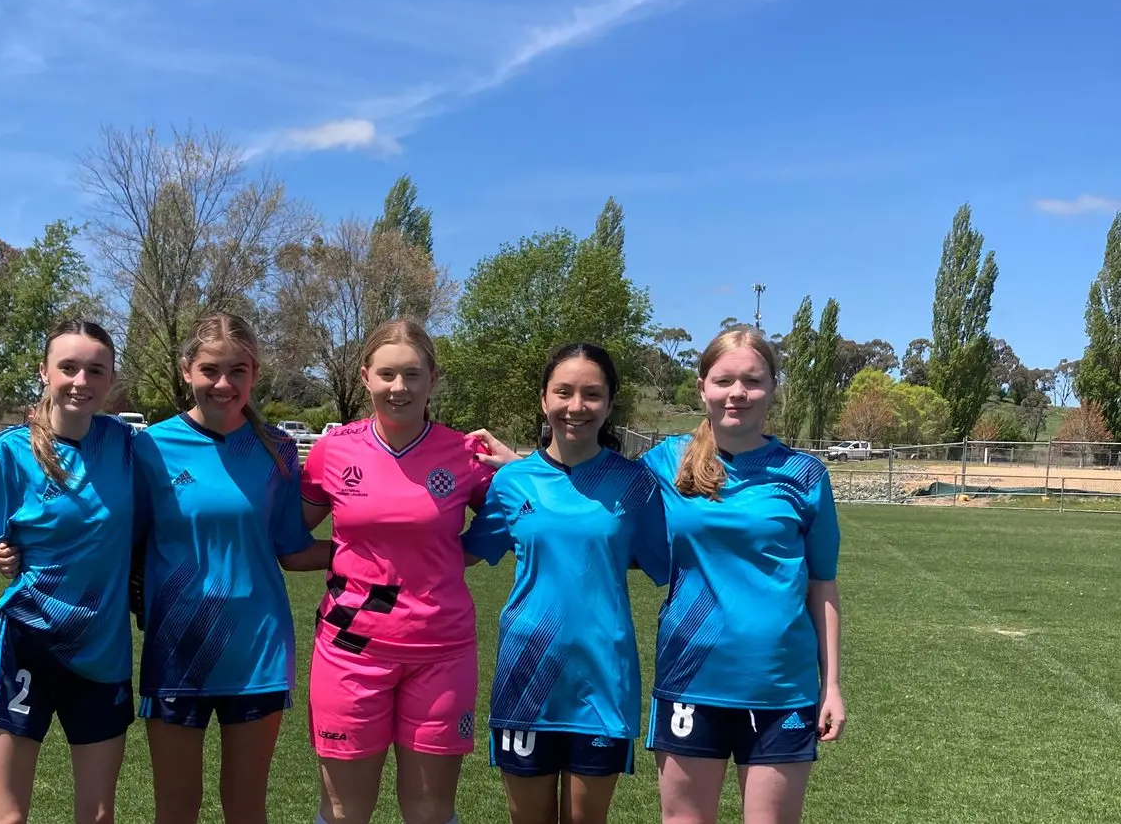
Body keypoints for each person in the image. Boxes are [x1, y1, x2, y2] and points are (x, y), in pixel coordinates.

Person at [470, 328, 845, 824]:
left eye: (752, 381)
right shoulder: (666, 462)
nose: (737, 392)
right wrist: (519, 471)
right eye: (724, 380)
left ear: (773, 387)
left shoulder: (804, 475)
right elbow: (576, 493)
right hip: (690, 675)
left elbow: (822, 584)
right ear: (702, 387)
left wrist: (831, 684)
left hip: (781, 681)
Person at [0, 312, 329, 824]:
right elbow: (107, 527)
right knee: (176, 809)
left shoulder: (277, 449)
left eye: (237, 371)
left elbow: (291, 546)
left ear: (255, 373)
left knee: (246, 808)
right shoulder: (148, 447)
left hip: (258, 650)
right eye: (210, 370)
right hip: (177, 647)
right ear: (187, 369)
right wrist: (21, 552)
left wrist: (375, 550)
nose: (223, 383)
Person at [460, 343, 669, 824]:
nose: (577, 406)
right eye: (564, 392)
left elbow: (670, 560)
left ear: (610, 403)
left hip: (603, 680)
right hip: (526, 673)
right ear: (544, 399)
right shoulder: (512, 482)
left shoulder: (636, 485)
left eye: (592, 393)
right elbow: (462, 553)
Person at [302, 319, 494, 824]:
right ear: (365, 376)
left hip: (441, 651)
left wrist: (457, 551)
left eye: (412, 374)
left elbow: (508, 522)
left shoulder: (464, 453)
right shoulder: (333, 450)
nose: (399, 387)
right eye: (386, 374)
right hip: (351, 650)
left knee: (430, 812)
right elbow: (290, 541)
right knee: (343, 811)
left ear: (433, 378)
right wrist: (349, 558)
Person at [0, 319, 138, 824]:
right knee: (8, 815)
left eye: (96, 370)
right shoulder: (11, 452)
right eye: (69, 368)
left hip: (103, 654)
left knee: (97, 815)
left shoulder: (127, 445)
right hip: (27, 644)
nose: (82, 381)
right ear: (44, 372)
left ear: (110, 378)